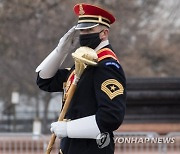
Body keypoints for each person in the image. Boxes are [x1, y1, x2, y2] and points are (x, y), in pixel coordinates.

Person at [36, 3, 126, 154]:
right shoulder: (85, 62)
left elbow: (111, 116)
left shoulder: (107, 66)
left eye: (89, 29)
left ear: (104, 33)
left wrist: (68, 129)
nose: (84, 34)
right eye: (81, 30)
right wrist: (61, 51)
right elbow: (45, 81)